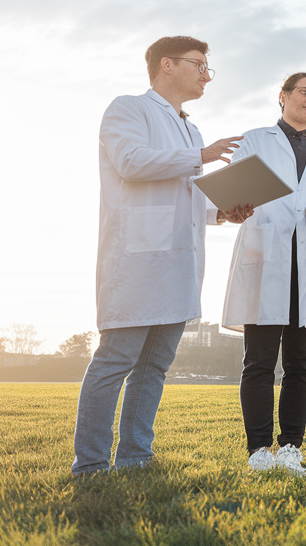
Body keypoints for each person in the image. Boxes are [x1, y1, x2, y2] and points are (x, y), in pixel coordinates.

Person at [73, 36, 243, 477]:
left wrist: (220, 211)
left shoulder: (191, 127)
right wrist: (200, 157)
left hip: (178, 264)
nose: (207, 75)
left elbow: (181, 195)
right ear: (166, 65)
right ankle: (90, 464)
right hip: (137, 261)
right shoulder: (128, 108)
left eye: (209, 67)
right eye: (199, 65)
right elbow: (132, 162)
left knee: (154, 367)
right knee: (116, 359)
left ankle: (135, 456)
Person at [220, 72, 306, 476]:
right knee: (258, 362)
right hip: (265, 255)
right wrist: (236, 205)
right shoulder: (254, 140)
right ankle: (258, 450)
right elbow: (235, 194)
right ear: (283, 96)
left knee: (301, 364)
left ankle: (291, 448)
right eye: (305, 92)